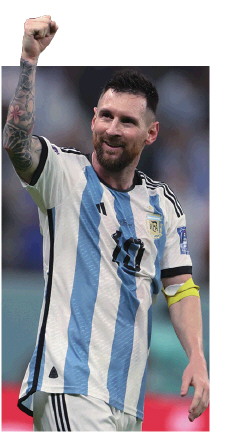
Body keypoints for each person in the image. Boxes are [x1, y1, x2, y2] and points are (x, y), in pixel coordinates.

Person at [2, 15, 209, 431]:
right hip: (70, 384)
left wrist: (198, 357)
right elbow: (17, 144)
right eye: (106, 116)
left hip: (127, 401)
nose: (113, 129)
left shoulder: (163, 206)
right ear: (93, 117)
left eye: (127, 121)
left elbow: (180, 287)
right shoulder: (63, 174)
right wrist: (28, 60)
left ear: (151, 133)